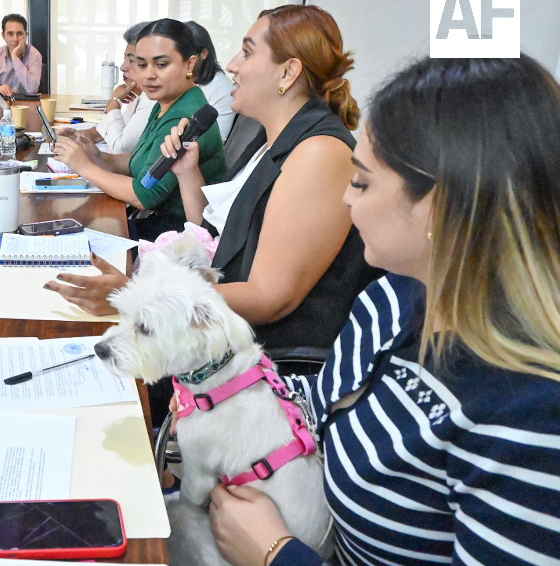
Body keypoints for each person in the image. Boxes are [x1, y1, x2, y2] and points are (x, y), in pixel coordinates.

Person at [209, 55, 560, 565]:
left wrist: (274, 553)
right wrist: (225, 394)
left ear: (439, 206)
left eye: (362, 182)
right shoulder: (394, 296)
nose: (346, 201)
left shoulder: (529, 416)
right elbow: (327, 401)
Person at [49, 6, 373, 353]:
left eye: (247, 52)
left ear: (288, 72)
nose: (232, 65)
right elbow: (211, 232)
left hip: (259, 357)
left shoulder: (319, 153)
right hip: (211, 322)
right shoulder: (272, 139)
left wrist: (137, 293)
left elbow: (269, 298)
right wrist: (187, 173)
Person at [52, 18, 227, 242]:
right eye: (142, 65)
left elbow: (145, 195)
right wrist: (96, 156)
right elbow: (142, 161)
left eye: (161, 64)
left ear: (190, 65)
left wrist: (84, 166)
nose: (149, 75)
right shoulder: (168, 101)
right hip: (160, 222)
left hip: (177, 235)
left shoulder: (182, 115)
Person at [58, 21, 153, 154]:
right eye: (125, 59)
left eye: (131, 60)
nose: (123, 67)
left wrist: (114, 102)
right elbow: (125, 129)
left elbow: (121, 149)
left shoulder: (152, 99)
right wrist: (94, 134)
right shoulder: (137, 92)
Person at [186, 21, 236, 141]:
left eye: (186, 55)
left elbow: (217, 141)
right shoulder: (177, 81)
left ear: (203, 53)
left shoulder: (222, 89)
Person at [0, 13, 43, 97]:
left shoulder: (34, 55)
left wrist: (15, 57)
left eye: (19, 34)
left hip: (26, 102)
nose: (15, 39)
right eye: (10, 34)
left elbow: (32, 89)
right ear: (3, 36)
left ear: (26, 35)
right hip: (1, 102)